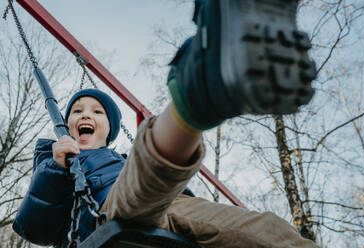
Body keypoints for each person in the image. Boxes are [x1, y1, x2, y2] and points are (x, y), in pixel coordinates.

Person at [13, 0, 318, 247]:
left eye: (97, 112)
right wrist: (54, 168)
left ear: (109, 129)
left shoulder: (123, 159)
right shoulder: (53, 159)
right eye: (76, 112)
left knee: (265, 228)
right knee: (140, 186)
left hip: (171, 206)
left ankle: (209, 83)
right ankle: (197, 93)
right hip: (103, 217)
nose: (85, 116)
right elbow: (32, 229)